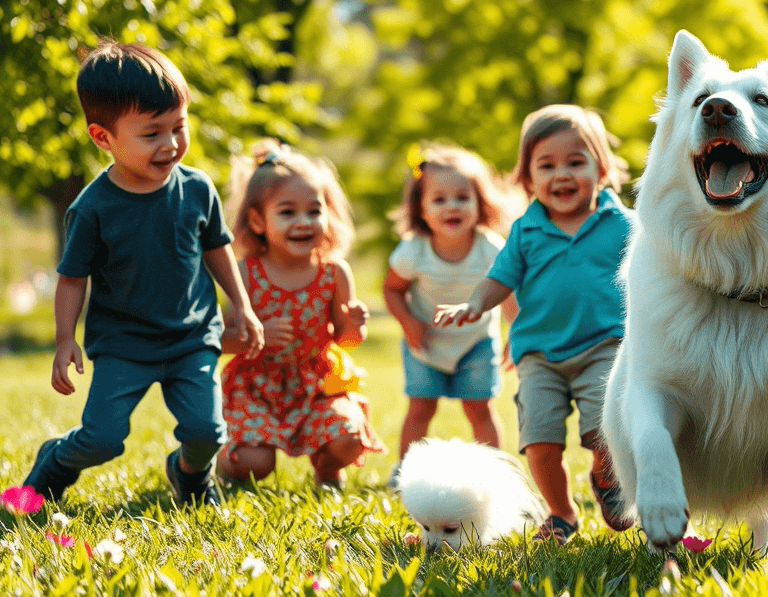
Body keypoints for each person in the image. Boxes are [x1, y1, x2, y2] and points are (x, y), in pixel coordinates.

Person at [22, 41, 264, 505]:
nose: (171, 144)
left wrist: (243, 306)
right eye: (152, 134)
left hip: (192, 337)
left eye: (179, 127)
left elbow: (218, 249)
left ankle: (190, 474)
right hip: (123, 344)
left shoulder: (197, 189)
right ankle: (57, 459)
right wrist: (64, 338)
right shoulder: (92, 208)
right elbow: (74, 278)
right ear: (103, 137)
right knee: (103, 439)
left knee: (206, 433)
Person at [435, 105, 632, 544]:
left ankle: (607, 475)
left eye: (575, 163)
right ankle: (562, 513)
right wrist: (472, 304)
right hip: (539, 355)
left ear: (600, 168)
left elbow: (658, 269)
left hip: (606, 346)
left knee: (606, 431)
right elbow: (499, 279)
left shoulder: (622, 224)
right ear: (528, 178)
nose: (561, 174)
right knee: (540, 444)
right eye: (547, 165)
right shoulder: (526, 230)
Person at [217, 141, 385, 489]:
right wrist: (255, 334)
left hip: (316, 386)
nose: (303, 222)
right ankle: (220, 461)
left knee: (349, 437)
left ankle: (327, 468)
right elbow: (221, 339)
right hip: (257, 387)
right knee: (254, 466)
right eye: (288, 212)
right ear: (257, 220)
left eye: (314, 210)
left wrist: (354, 327)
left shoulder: (333, 272)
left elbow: (345, 340)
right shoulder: (246, 273)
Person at [384, 143, 521, 474]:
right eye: (439, 199)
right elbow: (392, 289)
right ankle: (405, 471)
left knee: (480, 409)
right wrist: (407, 322)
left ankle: (495, 474)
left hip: (475, 342)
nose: (452, 206)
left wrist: (516, 335)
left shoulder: (489, 247)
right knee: (420, 409)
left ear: (480, 202)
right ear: (421, 208)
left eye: (462, 197)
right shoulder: (413, 251)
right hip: (426, 342)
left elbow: (507, 294)